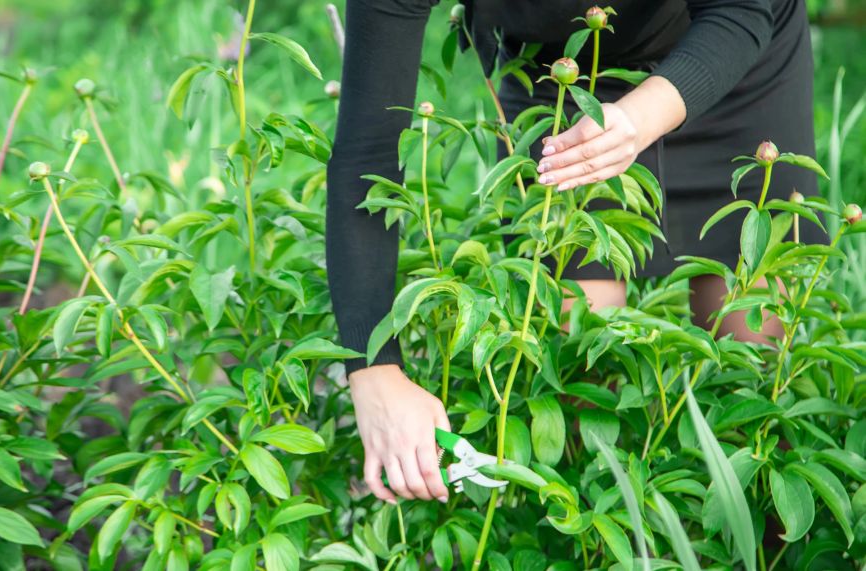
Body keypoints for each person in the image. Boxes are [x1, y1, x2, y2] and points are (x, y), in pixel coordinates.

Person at [325, 0, 822, 505]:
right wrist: (373, 371)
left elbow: (741, 8)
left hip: (727, 62)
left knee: (751, 387)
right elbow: (369, 154)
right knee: (574, 376)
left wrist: (638, 117)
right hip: (562, 88)